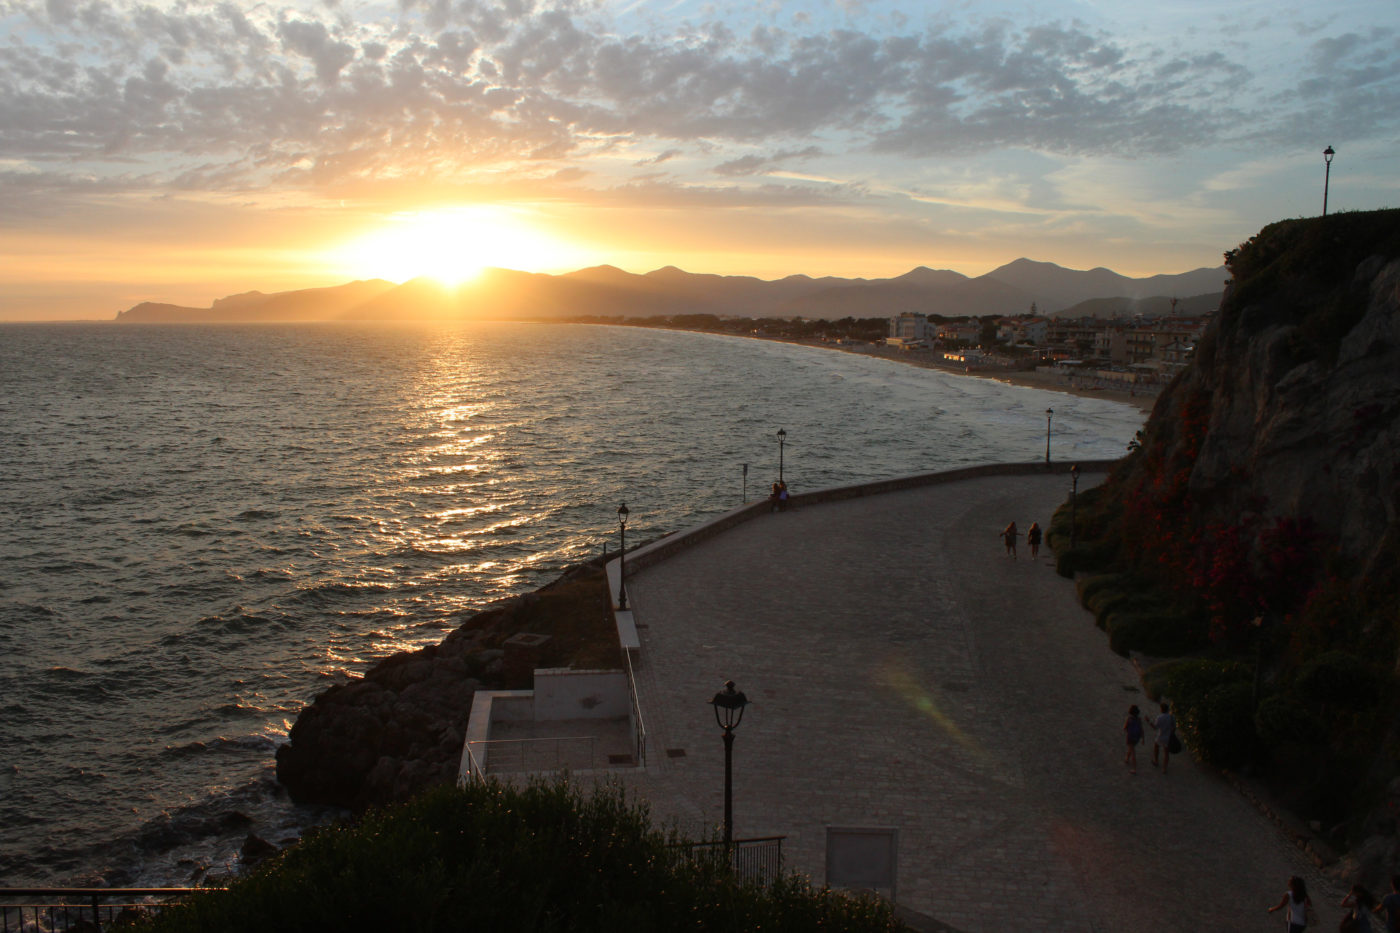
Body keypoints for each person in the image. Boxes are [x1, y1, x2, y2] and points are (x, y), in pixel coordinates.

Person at [1152, 701, 1176, 773]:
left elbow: (1155, 727)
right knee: (1166, 753)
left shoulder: (1160, 717)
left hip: (1160, 735)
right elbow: (1174, 727)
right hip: (1168, 737)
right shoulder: (1171, 717)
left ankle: (1156, 761)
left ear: (1161, 709)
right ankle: (1164, 768)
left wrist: (1149, 721)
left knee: (1156, 747)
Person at [1123, 704, 1144, 774]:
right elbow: (1141, 729)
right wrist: (1143, 738)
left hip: (1130, 737)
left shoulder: (1129, 719)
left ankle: (1134, 768)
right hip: (1137, 737)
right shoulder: (1139, 720)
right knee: (1131, 748)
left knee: (1133, 752)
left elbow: (1125, 727)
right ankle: (1127, 758)